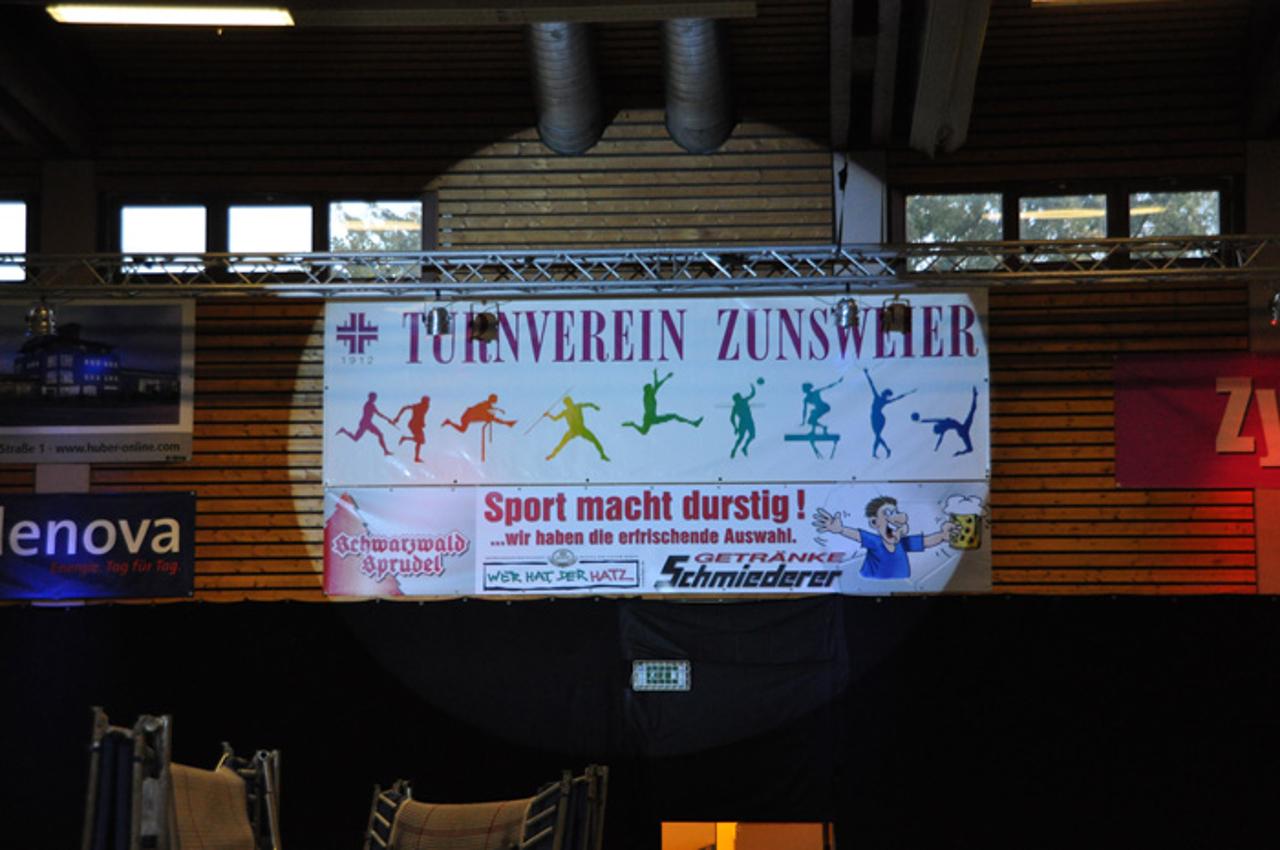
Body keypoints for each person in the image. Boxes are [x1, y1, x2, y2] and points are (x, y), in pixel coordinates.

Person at [812, 496, 955, 580]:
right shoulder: (875, 542)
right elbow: (858, 535)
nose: (895, 517)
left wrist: (942, 535)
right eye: (887, 513)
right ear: (874, 523)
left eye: (895, 512)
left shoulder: (901, 543)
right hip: (870, 589)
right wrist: (840, 529)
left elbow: (926, 541)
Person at [622, 369, 702, 435]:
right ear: (648, 390)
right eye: (651, 388)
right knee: (644, 432)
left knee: (673, 416)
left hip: (652, 417)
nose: (652, 388)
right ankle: (632, 424)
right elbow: (657, 386)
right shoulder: (648, 397)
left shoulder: (650, 395)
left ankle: (693, 423)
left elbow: (656, 385)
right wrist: (663, 377)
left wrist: (658, 376)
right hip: (649, 418)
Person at [913, 385, 979, 456]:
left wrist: (921, 421)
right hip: (962, 430)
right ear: (937, 427)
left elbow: (932, 422)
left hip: (962, 430)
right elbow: (932, 422)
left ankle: (975, 395)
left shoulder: (943, 427)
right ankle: (975, 396)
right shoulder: (942, 425)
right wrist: (921, 421)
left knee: (972, 410)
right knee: (972, 411)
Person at [864, 368, 915, 458]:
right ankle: (882, 451)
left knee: (877, 435)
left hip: (876, 417)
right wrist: (908, 393)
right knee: (877, 435)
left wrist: (866, 374)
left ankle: (879, 451)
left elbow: (872, 385)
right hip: (878, 418)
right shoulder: (883, 400)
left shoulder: (878, 398)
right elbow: (896, 398)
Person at [544, 395, 609, 461]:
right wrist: (548, 415)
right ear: (568, 403)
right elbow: (555, 419)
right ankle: (552, 455)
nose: (570, 404)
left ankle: (602, 454)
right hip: (575, 430)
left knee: (594, 440)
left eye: (569, 402)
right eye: (568, 403)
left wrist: (594, 406)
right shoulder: (570, 409)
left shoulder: (574, 407)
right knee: (562, 443)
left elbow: (588, 404)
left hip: (579, 429)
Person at [335, 391, 395, 456]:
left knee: (380, 435)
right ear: (371, 398)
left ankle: (385, 451)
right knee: (355, 439)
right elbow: (379, 414)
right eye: (374, 397)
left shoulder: (370, 404)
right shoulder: (370, 405)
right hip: (364, 424)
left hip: (368, 423)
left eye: (375, 398)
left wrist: (388, 419)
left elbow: (378, 414)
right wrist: (388, 419)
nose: (375, 399)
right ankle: (343, 430)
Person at [392, 394, 431, 463]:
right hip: (413, 425)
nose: (427, 403)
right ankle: (416, 458)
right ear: (422, 401)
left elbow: (422, 415)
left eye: (427, 401)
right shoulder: (417, 406)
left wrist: (423, 422)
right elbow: (404, 408)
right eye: (426, 401)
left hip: (418, 425)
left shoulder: (426, 407)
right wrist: (397, 418)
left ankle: (405, 438)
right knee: (420, 441)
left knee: (421, 441)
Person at [730, 379, 761, 458]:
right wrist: (735, 427)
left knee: (747, 437)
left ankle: (741, 448)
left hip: (745, 422)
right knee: (748, 436)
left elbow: (732, 418)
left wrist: (735, 427)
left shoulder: (737, 405)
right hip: (747, 421)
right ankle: (739, 448)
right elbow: (752, 394)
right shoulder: (742, 402)